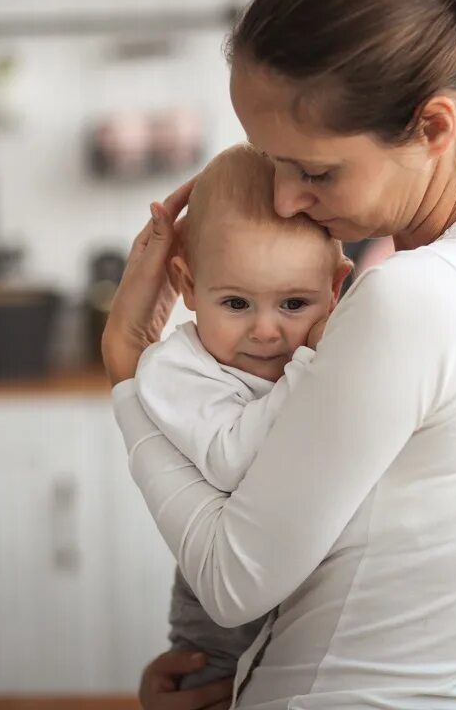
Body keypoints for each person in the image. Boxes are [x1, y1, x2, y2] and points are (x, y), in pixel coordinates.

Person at [103, 0, 456, 707]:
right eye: (272, 163)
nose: (288, 200)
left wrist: (127, 373)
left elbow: (231, 581)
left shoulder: (412, 299)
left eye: (315, 172)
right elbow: (377, 568)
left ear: (433, 126)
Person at [135, 143, 350, 690]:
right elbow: (233, 461)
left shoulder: (337, 349)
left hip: (314, 598)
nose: (266, 331)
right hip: (219, 627)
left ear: (336, 289)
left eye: (294, 305)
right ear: (187, 285)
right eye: (235, 303)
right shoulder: (175, 368)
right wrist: (310, 366)